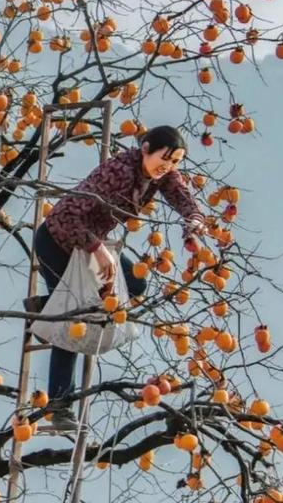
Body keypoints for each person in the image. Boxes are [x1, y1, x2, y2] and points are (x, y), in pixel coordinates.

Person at [32, 125, 206, 431]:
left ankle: (45, 309)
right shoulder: (119, 173)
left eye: (176, 161)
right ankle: (61, 407)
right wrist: (98, 249)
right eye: (165, 157)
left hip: (90, 245)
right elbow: (64, 216)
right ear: (145, 148)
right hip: (58, 241)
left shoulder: (159, 174)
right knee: (75, 319)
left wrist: (194, 218)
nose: (169, 166)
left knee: (135, 283)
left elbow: (179, 193)